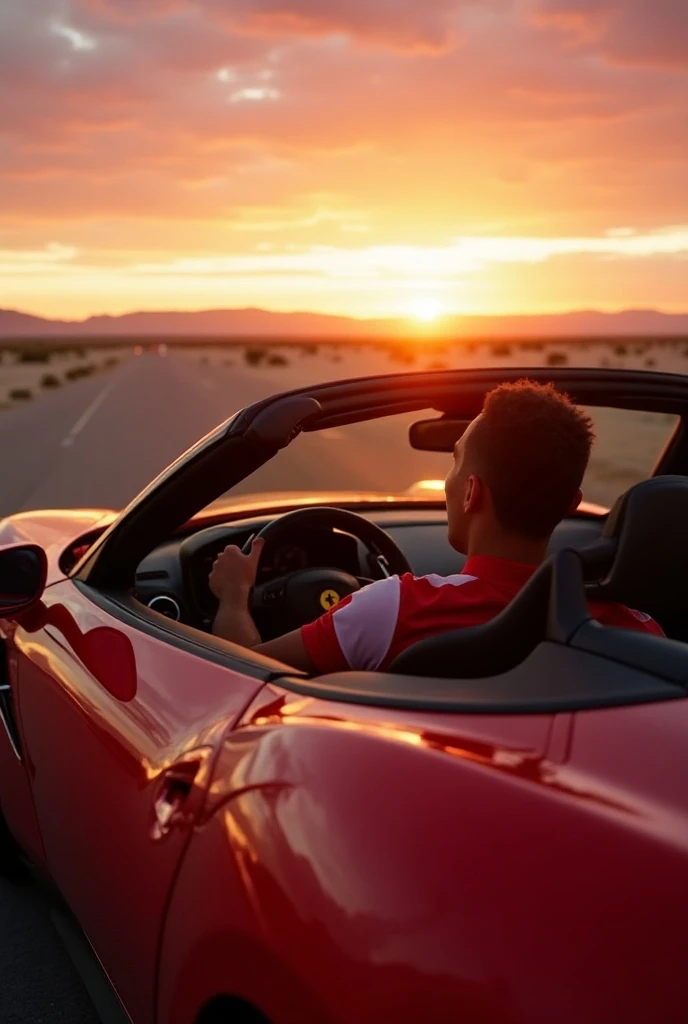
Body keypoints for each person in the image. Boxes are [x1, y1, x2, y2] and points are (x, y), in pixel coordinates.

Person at [209, 379, 663, 674]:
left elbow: (235, 677)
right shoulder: (641, 635)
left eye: (454, 463)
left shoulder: (394, 610)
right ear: (571, 505)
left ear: (470, 493)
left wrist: (234, 597)